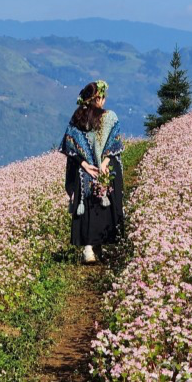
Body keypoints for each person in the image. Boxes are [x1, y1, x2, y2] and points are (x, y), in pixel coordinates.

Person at [59, 80, 124, 263]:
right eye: (101, 97)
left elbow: (70, 146)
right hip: (100, 170)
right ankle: (96, 247)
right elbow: (116, 143)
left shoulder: (77, 118)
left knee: (87, 205)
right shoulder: (109, 117)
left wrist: (84, 165)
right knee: (100, 205)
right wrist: (104, 163)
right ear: (95, 99)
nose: (103, 101)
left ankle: (90, 248)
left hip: (85, 170)